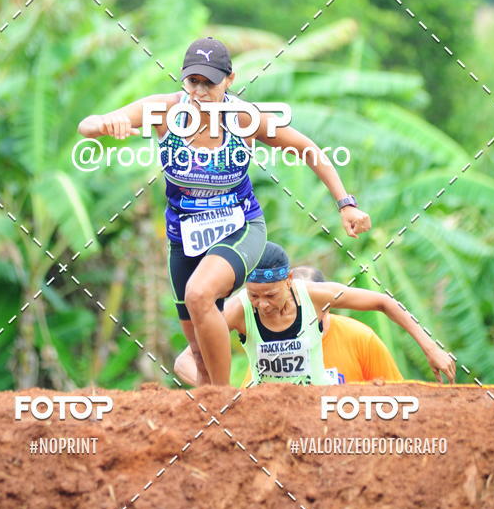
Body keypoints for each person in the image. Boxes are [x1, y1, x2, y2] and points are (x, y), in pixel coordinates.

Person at [77, 37, 371, 386]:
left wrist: (345, 203)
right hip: (183, 237)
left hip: (240, 227)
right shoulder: (163, 111)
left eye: (209, 83)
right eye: (193, 82)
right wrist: (109, 124)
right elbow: (88, 125)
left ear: (229, 80)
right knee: (198, 354)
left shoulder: (244, 119)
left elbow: (306, 148)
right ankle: (216, 422)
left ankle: (223, 400)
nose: (200, 92)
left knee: (200, 294)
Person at [174, 243, 455, 386]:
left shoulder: (314, 296)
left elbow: (384, 302)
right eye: (254, 295)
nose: (262, 305)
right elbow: (184, 360)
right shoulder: (238, 310)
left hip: (318, 409)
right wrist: (220, 392)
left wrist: (431, 348)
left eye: (270, 295)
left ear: (289, 280)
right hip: (264, 413)